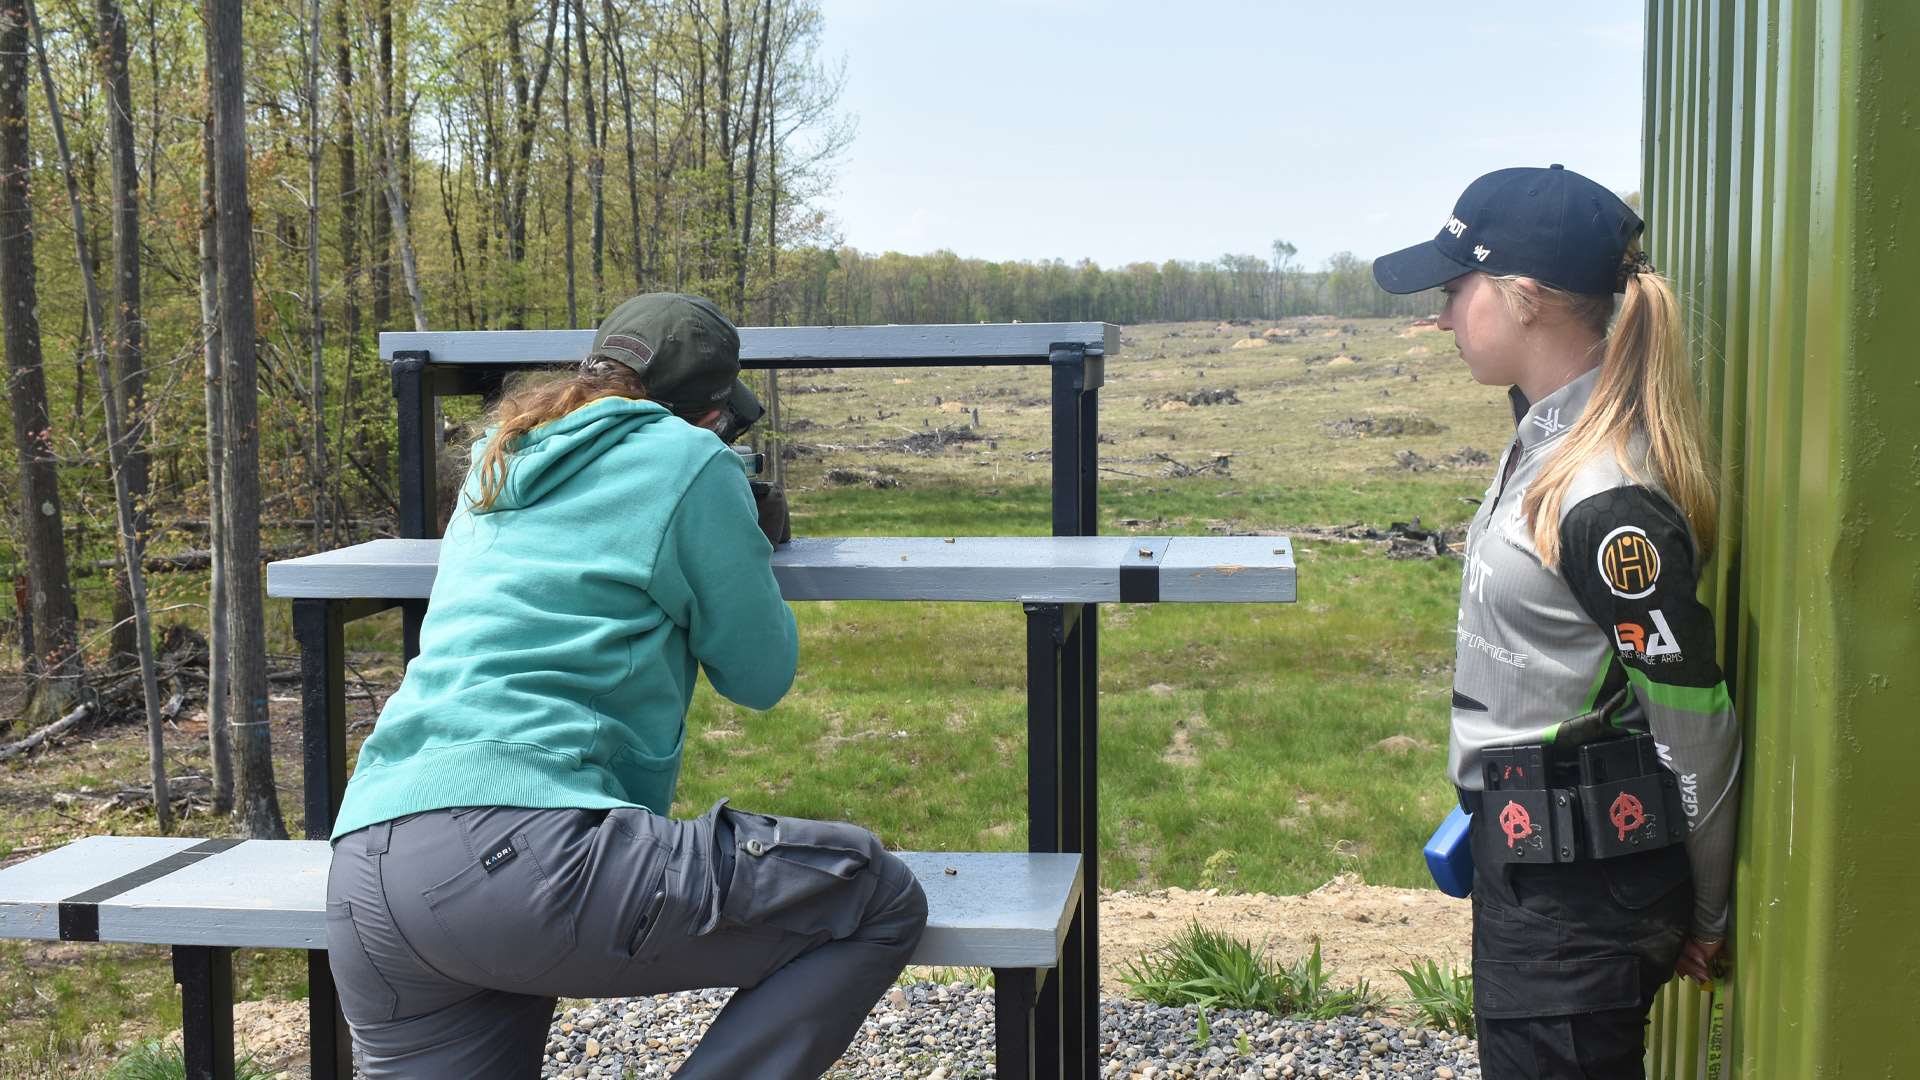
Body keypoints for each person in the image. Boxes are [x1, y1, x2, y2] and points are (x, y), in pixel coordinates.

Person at [324, 293, 927, 1078]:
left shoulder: (500, 453)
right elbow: (759, 673)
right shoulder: (692, 459)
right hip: (525, 848)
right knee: (872, 895)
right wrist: (735, 534)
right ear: (704, 413)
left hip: (372, 861)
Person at [1373, 166, 1741, 1078]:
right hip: (1535, 874)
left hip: (1579, 908)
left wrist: (1706, 911)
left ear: (1525, 297)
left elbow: (1693, 723)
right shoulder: (1544, 436)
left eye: (1457, 287)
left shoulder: (1602, 495)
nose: (1444, 313)